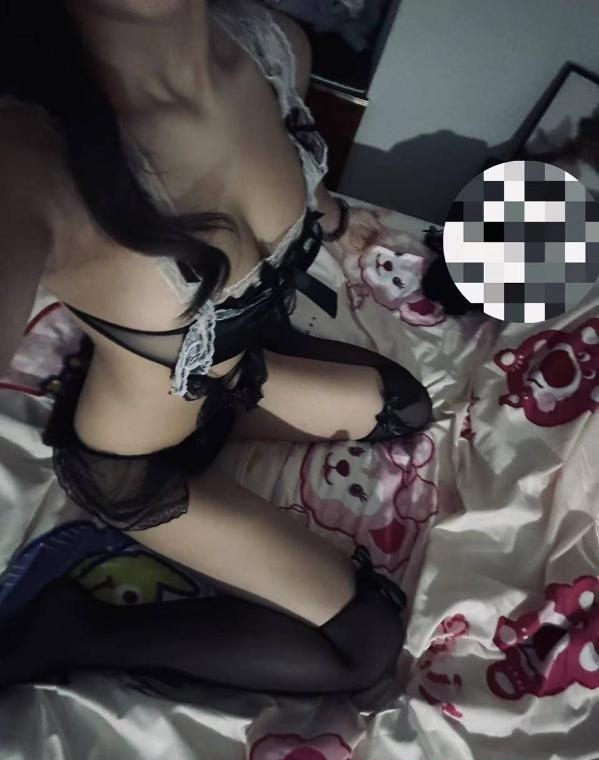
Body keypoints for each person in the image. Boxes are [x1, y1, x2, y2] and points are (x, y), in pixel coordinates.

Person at [0, 0, 433, 694]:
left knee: (406, 406)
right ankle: (74, 629)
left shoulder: (274, 47)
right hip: (137, 463)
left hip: (229, 385)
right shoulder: (27, 160)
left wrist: (340, 223)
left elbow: (307, 185)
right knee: (363, 646)